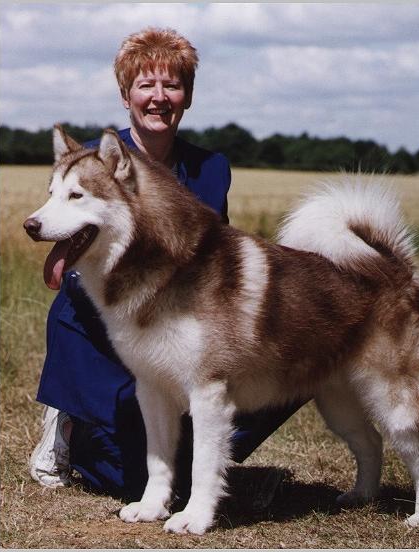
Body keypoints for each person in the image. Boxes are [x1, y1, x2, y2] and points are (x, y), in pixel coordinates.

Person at [30, 27, 307, 502]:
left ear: (188, 96)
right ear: (125, 95)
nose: (159, 98)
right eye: (145, 85)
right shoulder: (99, 161)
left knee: (295, 361)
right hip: (102, 336)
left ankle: (198, 465)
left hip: (181, 332)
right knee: (132, 482)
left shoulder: (212, 167)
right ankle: (70, 425)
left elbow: (219, 261)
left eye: (172, 85)